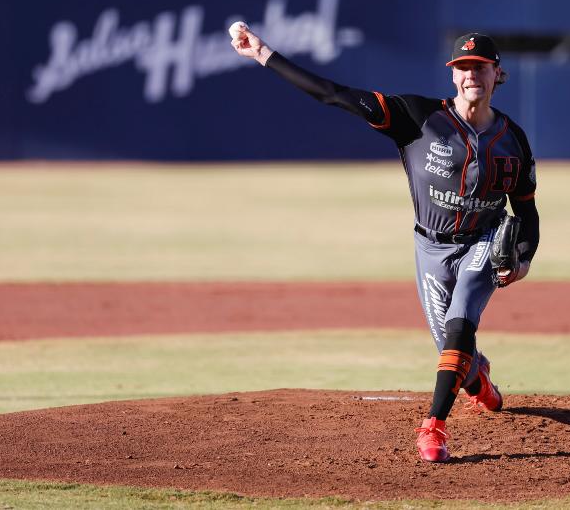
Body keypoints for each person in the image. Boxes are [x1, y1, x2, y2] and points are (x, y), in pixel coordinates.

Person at [230, 24, 539, 463]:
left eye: (481, 67)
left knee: (460, 321)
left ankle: (433, 427)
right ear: (453, 75)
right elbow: (333, 94)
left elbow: (526, 212)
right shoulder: (417, 117)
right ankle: (478, 381)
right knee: (453, 352)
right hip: (429, 249)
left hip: (483, 243)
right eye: (463, 67)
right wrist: (264, 54)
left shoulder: (514, 140)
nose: (472, 74)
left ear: (497, 74)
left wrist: (523, 256)